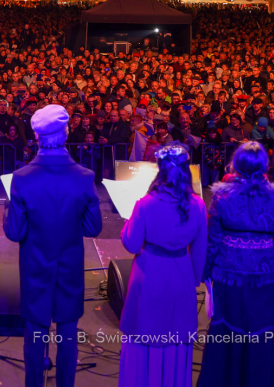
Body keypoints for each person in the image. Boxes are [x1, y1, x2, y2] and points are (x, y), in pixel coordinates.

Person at [3, 105, 102, 387]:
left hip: (35, 268)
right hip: (70, 269)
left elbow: (14, 232)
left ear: (36, 136)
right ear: (66, 133)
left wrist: (9, 207)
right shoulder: (84, 176)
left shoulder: (22, 177)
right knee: (68, 336)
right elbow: (93, 228)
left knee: (35, 337)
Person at [197, 142, 274, 387]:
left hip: (228, 277)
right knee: (263, 334)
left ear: (236, 164)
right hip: (267, 278)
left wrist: (205, 272)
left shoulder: (222, 197)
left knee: (228, 335)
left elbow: (212, 241)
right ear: (265, 166)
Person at [118, 143, 206, 387]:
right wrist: (194, 279)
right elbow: (200, 249)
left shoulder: (145, 203)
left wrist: (127, 224)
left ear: (160, 169)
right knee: (175, 336)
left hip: (149, 272)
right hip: (181, 273)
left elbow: (132, 244)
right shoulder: (197, 204)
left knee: (144, 332)